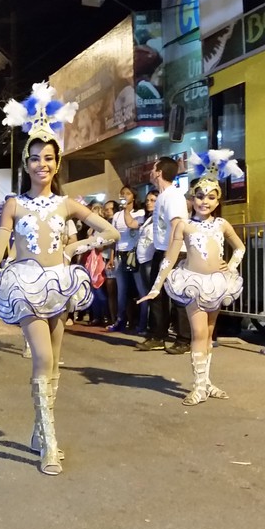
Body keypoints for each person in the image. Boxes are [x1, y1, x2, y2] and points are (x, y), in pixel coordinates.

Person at [0, 82, 119, 476]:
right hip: (25, 285)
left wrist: (74, 250)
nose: (42, 164)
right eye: (35, 158)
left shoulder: (66, 203)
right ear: (25, 163)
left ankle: (39, 430)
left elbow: (110, 233)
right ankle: (51, 444)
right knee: (42, 357)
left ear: (57, 164)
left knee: (54, 363)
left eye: (48, 158)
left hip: (60, 283)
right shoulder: (14, 205)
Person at [141, 150, 245, 405]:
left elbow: (240, 247)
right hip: (193, 283)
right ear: (192, 198)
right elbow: (169, 257)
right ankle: (198, 386)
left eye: (210, 197)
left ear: (218, 200)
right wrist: (156, 287)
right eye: (199, 196)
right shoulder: (184, 225)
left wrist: (230, 267)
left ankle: (207, 382)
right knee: (198, 334)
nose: (204, 202)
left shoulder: (222, 224)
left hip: (218, 284)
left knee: (208, 335)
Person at [143, 156, 192, 354]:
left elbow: (176, 225)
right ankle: (157, 335)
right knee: (157, 295)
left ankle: (184, 339)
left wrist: (169, 253)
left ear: (159, 172)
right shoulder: (163, 196)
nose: (151, 171)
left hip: (174, 252)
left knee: (178, 296)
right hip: (161, 249)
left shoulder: (173, 196)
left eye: (153, 168)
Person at [108, 186, 146, 332]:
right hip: (120, 254)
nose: (124, 196)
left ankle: (142, 323)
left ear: (134, 197)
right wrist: (111, 257)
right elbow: (114, 237)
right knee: (121, 291)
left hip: (134, 254)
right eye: (122, 193)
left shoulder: (140, 213)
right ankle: (120, 320)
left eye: (128, 193)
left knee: (141, 290)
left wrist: (127, 211)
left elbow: (135, 228)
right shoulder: (117, 215)